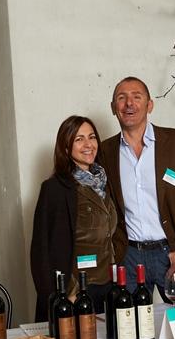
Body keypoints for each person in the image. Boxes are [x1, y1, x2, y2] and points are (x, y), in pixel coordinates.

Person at [101, 77, 175, 301]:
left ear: (150, 105)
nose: (129, 103)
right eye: (121, 98)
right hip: (129, 257)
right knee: (130, 322)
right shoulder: (103, 152)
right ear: (113, 108)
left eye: (136, 97)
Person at [31, 115, 117, 320]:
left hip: (107, 286)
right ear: (66, 148)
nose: (88, 144)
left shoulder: (105, 184)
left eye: (92, 137)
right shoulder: (55, 189)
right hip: (76, 291)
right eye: (79, 139)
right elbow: (41, 251)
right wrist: (62, 295)